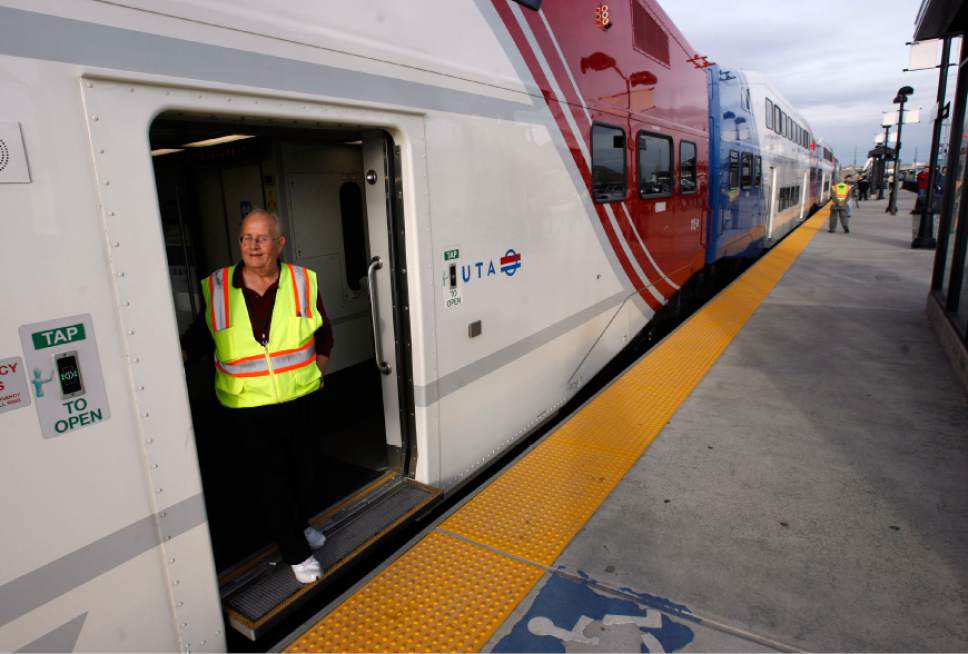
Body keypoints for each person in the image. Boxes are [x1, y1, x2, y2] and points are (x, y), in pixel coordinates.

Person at [182, 209, 334, 584]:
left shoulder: (302, 281)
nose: (252, 246)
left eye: (261, 238)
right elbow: (199, 340)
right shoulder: (217, 287)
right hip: (247, 405)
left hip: (300, 398)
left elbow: (324, 333)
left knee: (305, 473)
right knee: (272, 480)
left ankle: (297, 524)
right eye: (246, 238)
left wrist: (316, 371)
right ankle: (295, 553)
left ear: (279, 243)